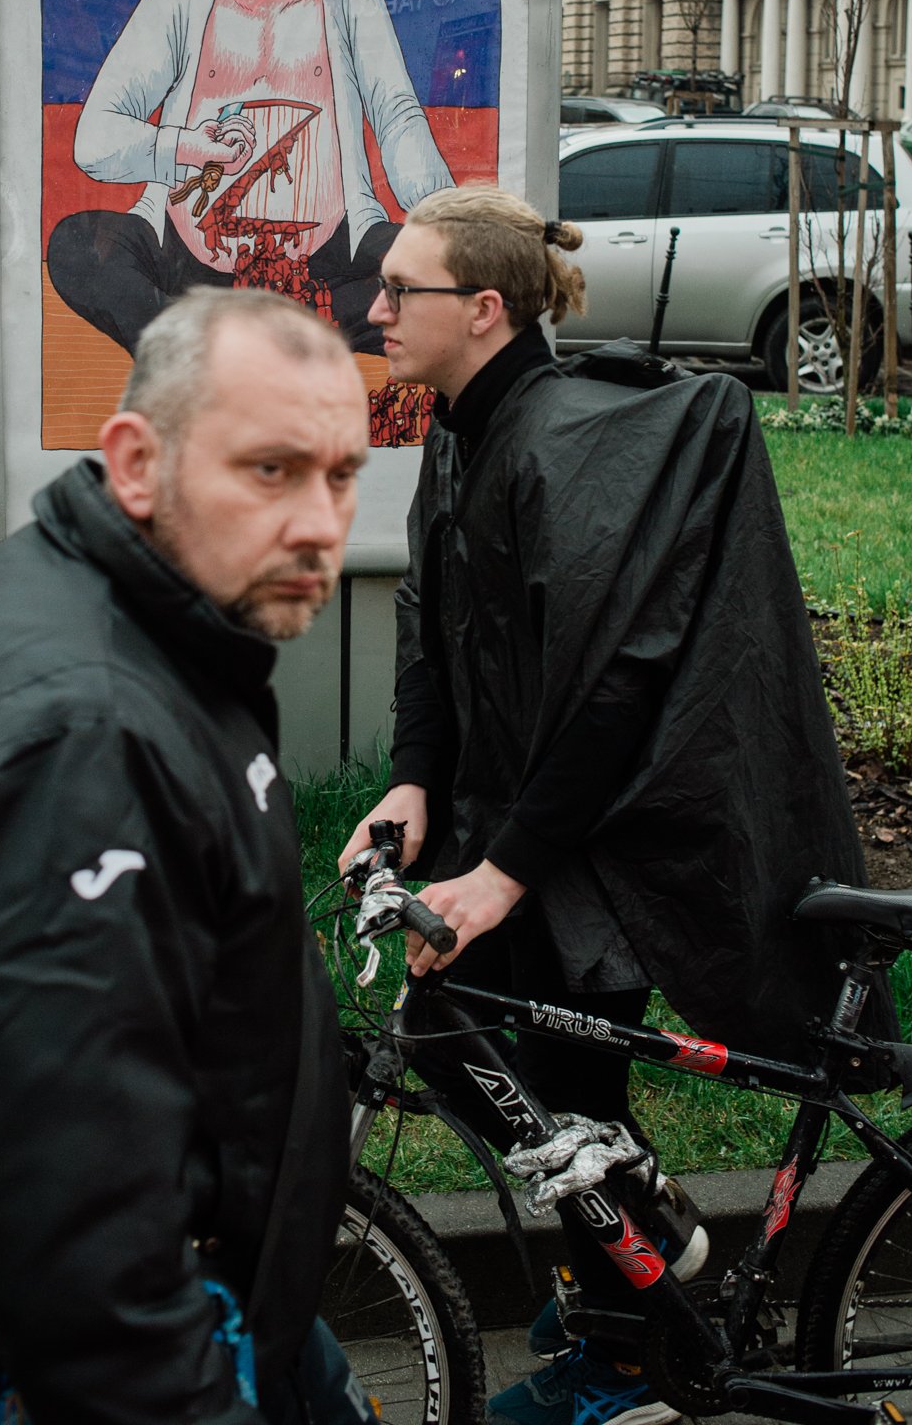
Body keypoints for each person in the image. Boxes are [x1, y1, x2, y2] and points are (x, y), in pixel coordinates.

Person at [337, 185, 879, 1425]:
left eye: (398, 289)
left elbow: (613, 687)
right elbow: (434, 627)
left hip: (593, 843)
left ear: (480, 308)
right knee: (470, 1041)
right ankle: (647, 1263)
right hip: (516, 824)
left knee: (560, 1083)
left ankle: (633, 1357)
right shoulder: (465, 429)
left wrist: (509, 867)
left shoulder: (555, 443)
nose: (374, 308)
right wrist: (416, 775)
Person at [0, 288, 374, 1425]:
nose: (320, 524)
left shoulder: (143, 623)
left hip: (230, 1290)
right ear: (136, 461)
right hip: (134, 1350)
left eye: (342, 474)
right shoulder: (80, 740)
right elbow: (77, 1232)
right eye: (271, 470)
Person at [46, 0, 453, 351]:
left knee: (437, 276)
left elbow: (397, 116)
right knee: (76, 245)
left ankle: (212, 340)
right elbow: (95, 141)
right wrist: (191, 148)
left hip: (325, 265)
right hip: (187, 259)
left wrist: (450, 222)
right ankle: (202, 342)